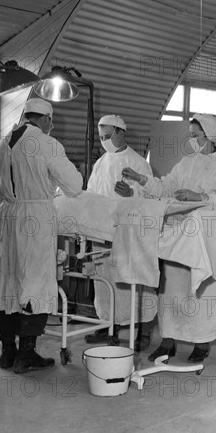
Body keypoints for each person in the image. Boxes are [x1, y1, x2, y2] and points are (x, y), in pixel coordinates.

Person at [121, 114, 216, 363]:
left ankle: (202, 342)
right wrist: (140, 179)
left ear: (209, 136)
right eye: (191, 135)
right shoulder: (185, 162)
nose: (192, 139)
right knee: (172, 291)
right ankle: (168, 341)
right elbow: (166, 187)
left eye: (195, 135)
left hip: (205, 241)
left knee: (202, 290)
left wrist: (199, 196)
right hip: (177, 236)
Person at [0, 98, 83, 374]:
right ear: (46, 120)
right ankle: (26, 354)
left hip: (5, 218)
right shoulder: (47, 144)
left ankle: (7, 351)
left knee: (7, 282)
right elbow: (74, 185)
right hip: (34, 219)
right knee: (35, 282)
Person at [83, 115, 157, 350]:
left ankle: (144, 330)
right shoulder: (101, 162)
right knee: (104, 281)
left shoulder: (138, 162)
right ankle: (108, 325)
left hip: (129, 231)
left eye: (107, 136)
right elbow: (91, 193)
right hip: (102, 229)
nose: (104, 141)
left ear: (120, 132)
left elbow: (151, 197)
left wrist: (130, 194)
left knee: (134, 280)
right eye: (101, 137)